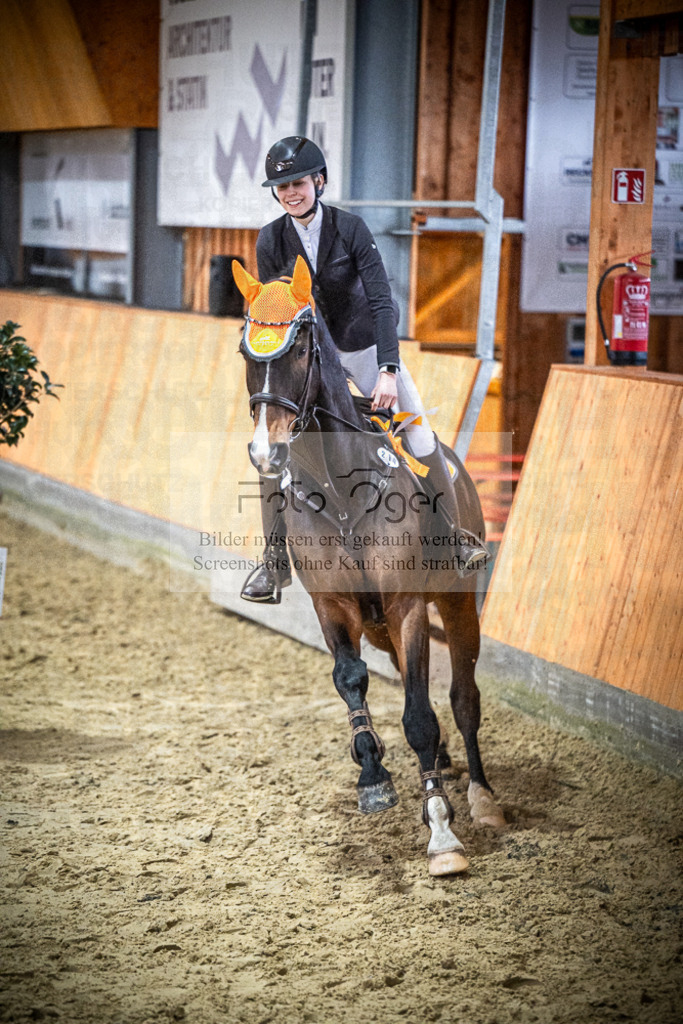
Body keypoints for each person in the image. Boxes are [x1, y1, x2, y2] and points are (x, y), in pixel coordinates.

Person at [241, 136, 488, 603]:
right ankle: (273, 564)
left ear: (318, 180)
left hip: (361, 349)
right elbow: (275, 309)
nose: (290, 193)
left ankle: (454, 538)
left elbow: (381, 302)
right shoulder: (270, 239)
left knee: (417, 434)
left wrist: (389, 369)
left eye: (297, 182)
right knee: (269, 444)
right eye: (281, 186)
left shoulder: (351, 229)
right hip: (309, 356)